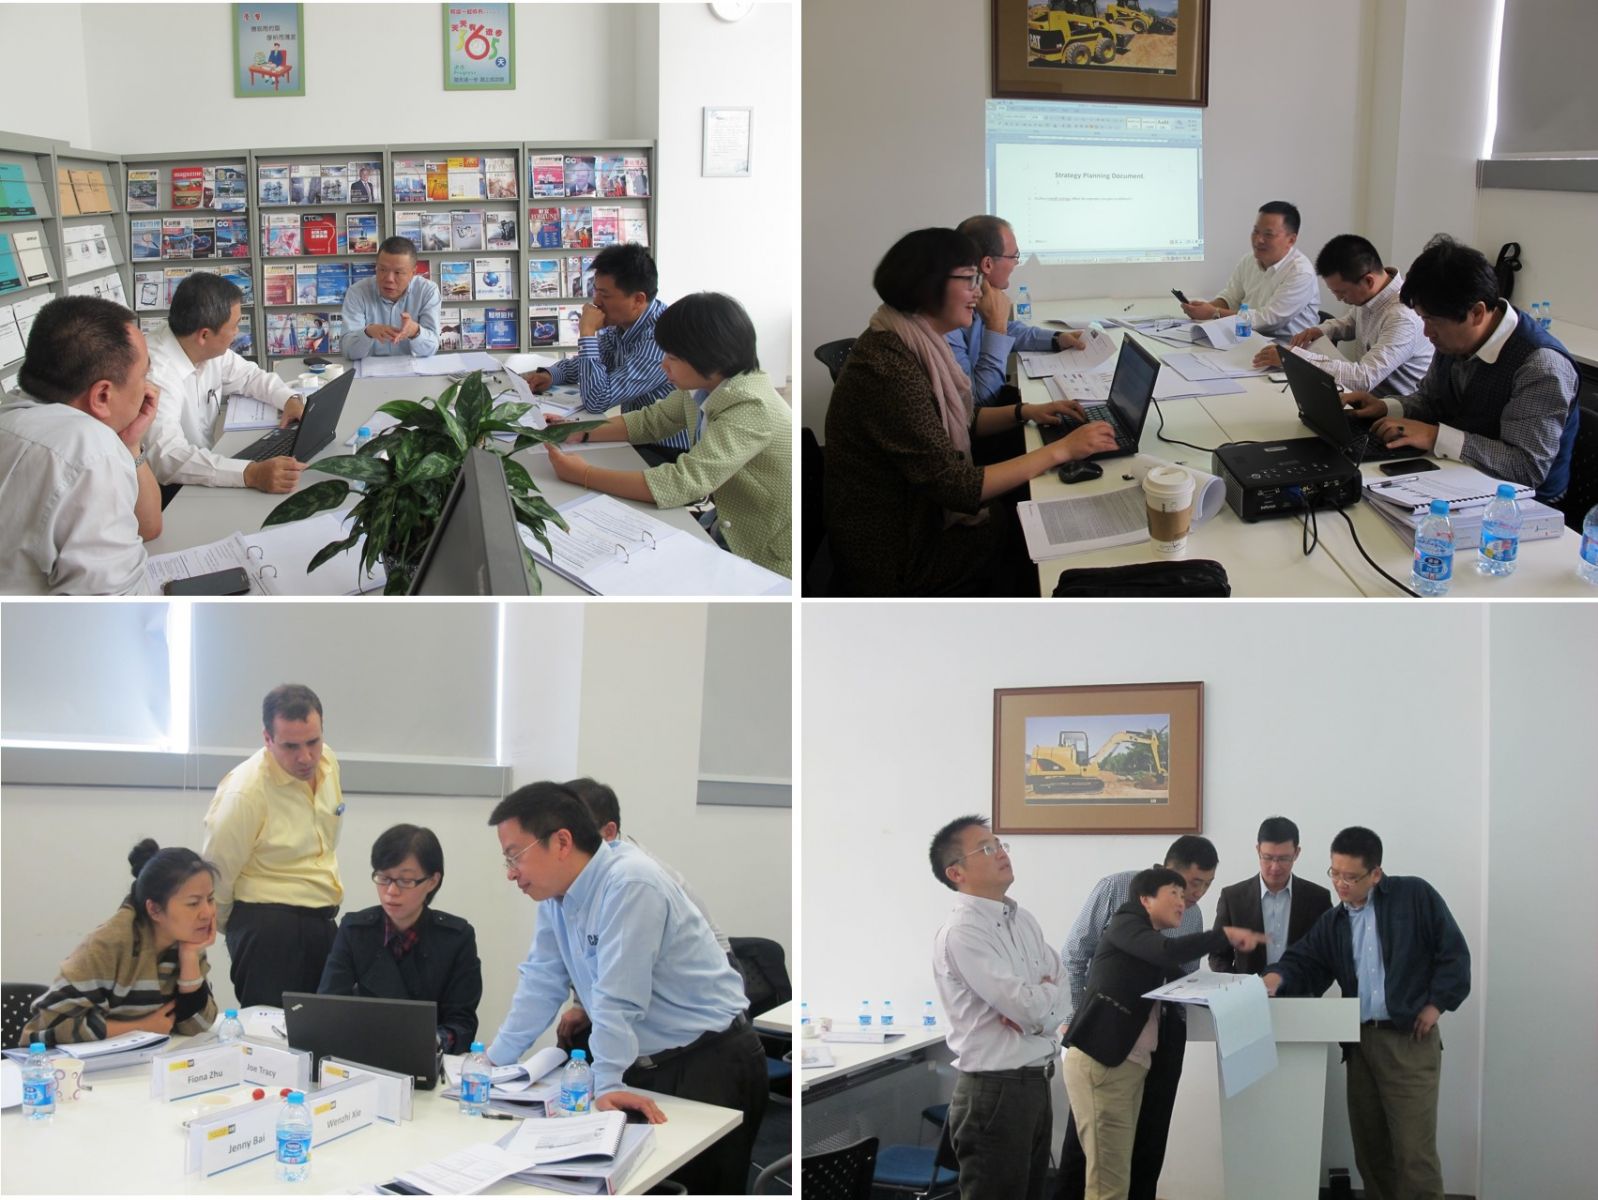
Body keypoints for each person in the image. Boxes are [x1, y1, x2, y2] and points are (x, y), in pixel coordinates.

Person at [486, 782, 764, 1195]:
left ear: (561, 842)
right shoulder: (555, 897)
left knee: (698, 1187)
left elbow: (618, 997)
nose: (511, 873)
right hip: (646, 1063)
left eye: (515, 856)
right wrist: (493, 1063)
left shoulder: (631, 882)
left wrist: (608, 1082)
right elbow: (541, 982)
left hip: (709, 1062)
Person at [823, 227, 1118, 597]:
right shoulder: (888, 369)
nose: (979, 292)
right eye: (969, 280)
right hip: (897, 555)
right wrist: (1062, 450)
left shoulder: (912, 340)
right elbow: (957, 487)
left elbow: (960, 419)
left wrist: (1026, 411)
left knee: (1026, 494)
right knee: (1025, 522)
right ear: (927, 287)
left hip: (915, 514)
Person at [1264, 827, 1470, 1200]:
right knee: (1371, 1151)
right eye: (1335, 873)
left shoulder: (1414, 896)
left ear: (1375, 873)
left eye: (1351, 876)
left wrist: (1436, 1004)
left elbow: (1453, 953)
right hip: (1360, 1045)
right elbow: (1304, 960)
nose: (1341, 884)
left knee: (1414, 1153)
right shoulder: (1335, 921)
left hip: (1409, 1041)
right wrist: (1275, 978)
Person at [544, 291, 793, 577]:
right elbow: (653, 420)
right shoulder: (706, 386)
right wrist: (579, 430)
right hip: (727, 520)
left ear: (712, 358)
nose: (664, 365)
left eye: (673, 357)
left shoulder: (750, 406)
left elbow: (683, 483)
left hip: (763, 551)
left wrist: (584, 475)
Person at [1065, 868, 1265, 1200]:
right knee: (1108, 1185)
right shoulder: (1127, 923)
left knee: (1117, 1176)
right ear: (1145, 899)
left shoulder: (1147, 943)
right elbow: (1169, 952)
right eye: (1174, 893)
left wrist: (1245, 991)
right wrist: (1224, 935)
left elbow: (1186, 983)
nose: (1183, 902)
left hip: (1128, 1065)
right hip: (1103, 1064)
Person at [1340, 235, 1580, 502]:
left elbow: (1525, 467)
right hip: (1458, 475)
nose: (1427, 332)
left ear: (1476, 313)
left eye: (1433, 321)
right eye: (1422, 319)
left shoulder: (1540, 365)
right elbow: (1431, 400)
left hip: (1520, 504)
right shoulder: (1456, 338)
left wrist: (1434, 436)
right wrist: (1386, 407)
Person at [1054, 835, 1220, 1200]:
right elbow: (1075, 956)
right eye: (1192, 883)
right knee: (1089, 1147)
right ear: (1167, 870)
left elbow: (1183, 979)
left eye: (1207, 885)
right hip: (1105, 1034)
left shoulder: (1192, 915)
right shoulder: (1116, 888)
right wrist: (1077, 1017)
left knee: (1150, 1138)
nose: (1195, 894)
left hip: (1160, 1038)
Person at [929, 816, 1068, 1200]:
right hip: (994, 1092)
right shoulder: (963, 931)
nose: (1001, 853)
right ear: (956, 872)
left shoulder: (1023, 921)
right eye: (986, 849)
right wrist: (1038, 1005)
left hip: (1036, 1082)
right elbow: (1026, 1006)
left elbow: (1063, 989)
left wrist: (1037, 1009)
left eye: (1000, 844)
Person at [553, 777, 734, 1055]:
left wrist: (588, 1008)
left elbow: (625, 963)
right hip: (644, 976)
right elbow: (587, 943)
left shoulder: (632, 879)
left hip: (699, 982)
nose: (562, 848)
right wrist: (582, 1004)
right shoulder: (580, 872)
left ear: (608, 832)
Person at [0, 295, 161, 595]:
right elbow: (114, 606)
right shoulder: (91, 451)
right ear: (102, 396)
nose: (150, 389)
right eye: (143, 375)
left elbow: (148, 527)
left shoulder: (12, 412)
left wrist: (131, 444)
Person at [201, 684, 344, 1008]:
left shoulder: (329, 763)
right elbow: (217, 876)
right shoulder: (245, 792)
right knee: (269, 1036)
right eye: (290, 746)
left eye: (313, 742)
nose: (305, 757)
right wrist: (245, 931)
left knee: (330, 1030)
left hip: (323, 921)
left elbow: (326, 843)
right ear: (267, 738)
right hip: (268, 929)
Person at [23, 840, 219, 1046]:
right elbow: (41, 1030)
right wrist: (141, 1027)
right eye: (193, 903)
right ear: (154, 910)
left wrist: (189, 957)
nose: (207, 913)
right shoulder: (108, 946)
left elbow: (196, 1026)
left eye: (210, 899)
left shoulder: (185, 941)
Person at [317, 825, 482, 1054]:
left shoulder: (456, 938)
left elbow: (463, 1023)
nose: (391, 891)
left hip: (426, 1059)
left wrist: (435, 1040)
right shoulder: (355, 930)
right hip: (362, 1054)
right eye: (383, 878)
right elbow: (328, 1006)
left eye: (405, 880)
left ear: (432, 881)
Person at [144, 272, 305, 494]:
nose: (237, 333)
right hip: (170, 489)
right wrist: (251, 474)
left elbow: (250, 376)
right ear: (204, 335)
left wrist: (289, 399)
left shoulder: (199, 344)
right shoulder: (155, 374)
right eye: (235, 325)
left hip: (205, 466)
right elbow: (167, 457)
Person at [520, 244, 680, 462]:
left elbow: (598, 399)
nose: (596, 302)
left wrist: (587, 333)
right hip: (629, 435)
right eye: (596, 291)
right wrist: (551, 375)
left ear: (638, 300)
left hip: (665, 450)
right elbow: (591, 361)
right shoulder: (622, 322)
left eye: (605, 295)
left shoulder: (658, 339)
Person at [1251, 234, 1433, 396]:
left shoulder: (1402, 318)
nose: (1339, 299)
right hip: (1364, 398)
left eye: (1342, 292)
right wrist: (1322, 330)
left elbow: (1363, 379)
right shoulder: (1373, 295)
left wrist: (1295, 359)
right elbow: (1351, 322)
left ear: (1368, 281)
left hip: (1390, 410)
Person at [949, 215, 1084, 407]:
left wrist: (1057, 339)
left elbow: (1009, 330)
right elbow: (980, 402)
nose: (1016, 263)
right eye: (1014, 256)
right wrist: (996, 327)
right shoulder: (948, 323)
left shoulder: (978, 298)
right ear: (987, 264)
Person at [1207, 816, 1332, 974]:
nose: (1275, 867)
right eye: (1267, 857)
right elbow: (1217, 955)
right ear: (1258, 850)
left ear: (1296, 853)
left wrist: (1310, 986)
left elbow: (1328, 956)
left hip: (1301, 989)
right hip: (1247, 988)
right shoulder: (1232, 898)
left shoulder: (1318, 899)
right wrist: (1239, 984)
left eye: (1283, 859)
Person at [1179, 201, 1320, 337]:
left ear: (1291, 240)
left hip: (1289, 346)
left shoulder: (1300, 272)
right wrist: (1202, 309)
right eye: (1256, 231)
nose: (1258, 240)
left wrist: (1213, 312)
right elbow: (1230, 298)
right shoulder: (1249, 260)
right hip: (1249, 337)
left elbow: (1267, 320)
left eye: (1268, 234)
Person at [339, 236, 441, 360]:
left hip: (413, 369)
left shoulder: (427, 291)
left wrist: (415, 331)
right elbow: (348, 352)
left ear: (412, 273)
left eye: (398, 272)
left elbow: (431, 349)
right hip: (370, 370)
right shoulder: (357, 292)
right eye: (382, 269)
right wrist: (368, 333)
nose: (389, 279)